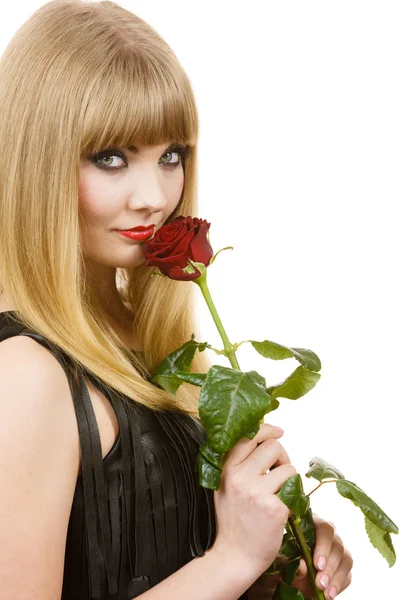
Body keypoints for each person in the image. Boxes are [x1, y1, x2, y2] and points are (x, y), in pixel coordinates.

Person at [0, 1, 353, 599]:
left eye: (171, 156)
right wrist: (230, 560)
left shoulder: (147, 336)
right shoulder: (25, 374)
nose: (154, 196)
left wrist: (274, 557)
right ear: (36, 161)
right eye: (110, 157)